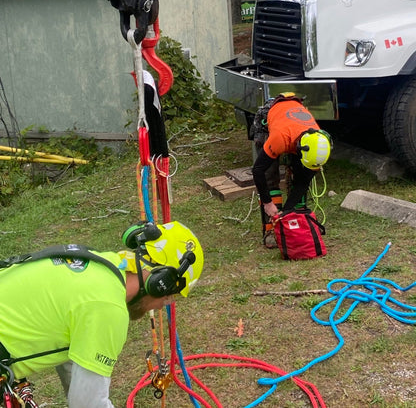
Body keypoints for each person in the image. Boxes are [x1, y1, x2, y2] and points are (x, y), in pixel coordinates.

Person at [0, 220, 203, 408]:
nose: (160, 306)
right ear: (161, 283)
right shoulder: (108, 307)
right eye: (168, 298)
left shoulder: (100, 262)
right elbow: (87, 404)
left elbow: (76, 350)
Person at [252, 93, 332, 224]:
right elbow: (258, 170)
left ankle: (294, 214)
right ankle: (270, 227)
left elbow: (303, 182)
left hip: (294, 121)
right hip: (272, 112)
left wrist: (287, 210)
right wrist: (267, 202)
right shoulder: (280, 138)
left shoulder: (319, 148)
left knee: (300, 174)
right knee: (269, 175)